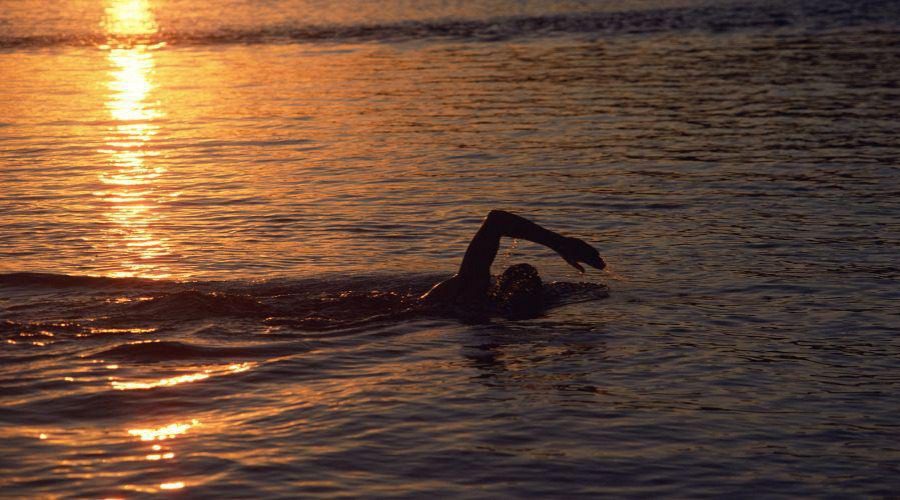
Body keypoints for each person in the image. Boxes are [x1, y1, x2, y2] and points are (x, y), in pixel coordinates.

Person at [420, 210, 605, 317]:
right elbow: (496, 219)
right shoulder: (470, 290)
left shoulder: (468, 292)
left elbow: (497, 220)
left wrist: (560, 243)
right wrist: (560, 244)